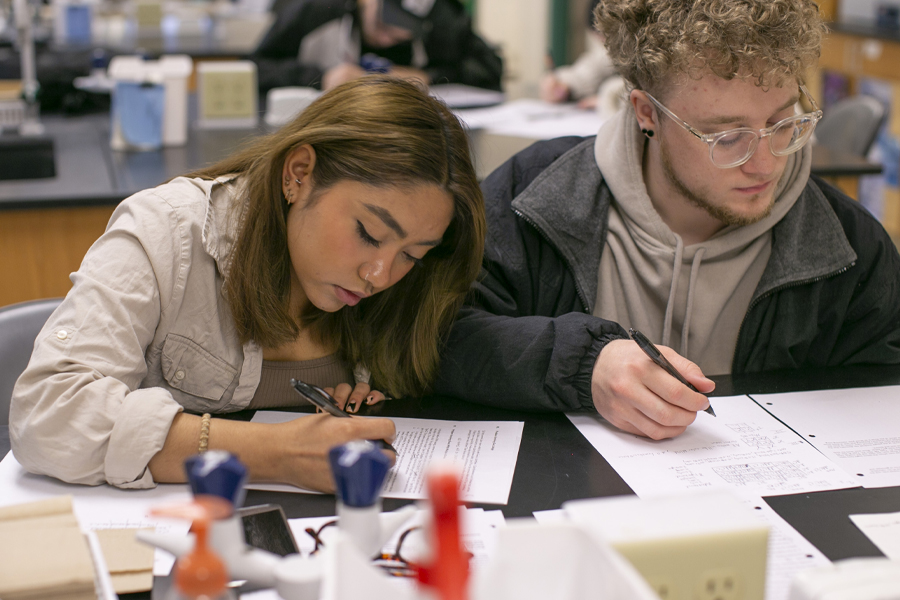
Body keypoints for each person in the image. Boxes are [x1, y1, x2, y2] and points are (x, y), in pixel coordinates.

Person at [435, 0, 900, 441]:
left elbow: (881, 400)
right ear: (646, 113)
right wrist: (583, 364)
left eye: (782, 123)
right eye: (727, 136)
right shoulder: (535, 197)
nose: (765, 165)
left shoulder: (850, 247)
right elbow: (433, 334)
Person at [10, 76, 485, 492]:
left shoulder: (412, 287)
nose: (379, 276)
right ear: (299, 174)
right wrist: (273, 451)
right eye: (368, 234)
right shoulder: (167, 232)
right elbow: (48, 415)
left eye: (411, 255)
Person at [251, 0, 503, 93]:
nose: (384, 41)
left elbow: (491, 69)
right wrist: (321, 77)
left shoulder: (443, 18)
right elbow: (253, 69)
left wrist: (428, 77)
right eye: (382, 26)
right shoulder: (315, 10)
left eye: (399, 36)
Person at [539, 0, 618, 109]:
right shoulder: (607, 53)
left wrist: (610, 100)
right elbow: (592, 68)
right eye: (601, 41)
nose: (606, 46)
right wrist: (564, 83)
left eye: (607, 38)